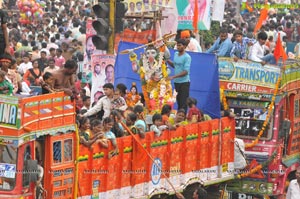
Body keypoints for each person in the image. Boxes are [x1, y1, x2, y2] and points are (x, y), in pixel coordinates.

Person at [167, 38, 191, 112]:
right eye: (177, 45)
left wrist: (173, 76)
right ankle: (179, 118)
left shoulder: (187, 57)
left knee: (183, 102)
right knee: (178, 101)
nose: (178, 47)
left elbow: (185, 71)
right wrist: (166, 60)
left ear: (184, 46)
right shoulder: (176, 54)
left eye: (179, 45)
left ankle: (183, 120)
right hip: (176, 82)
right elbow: (175, 65)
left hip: (184, 83)